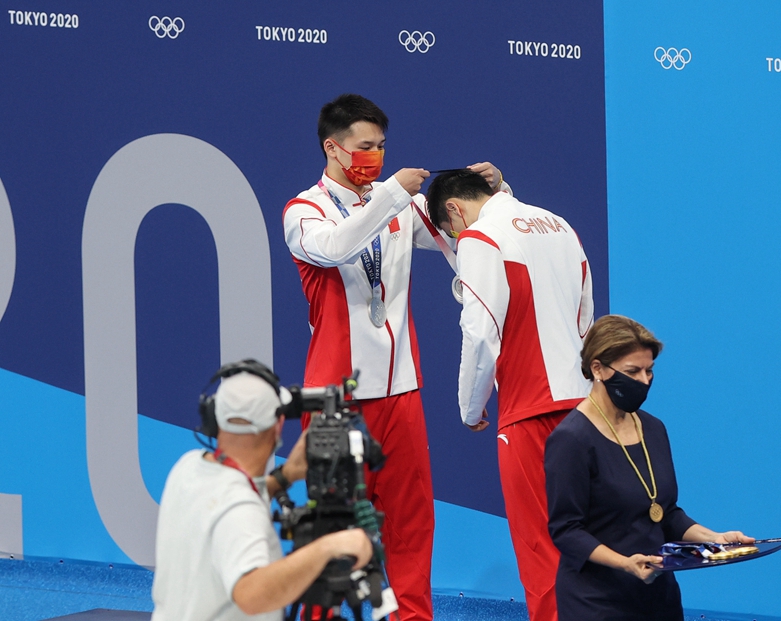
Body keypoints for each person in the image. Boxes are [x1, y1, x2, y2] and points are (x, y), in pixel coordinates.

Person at [282, 94, 504, 621]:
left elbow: (466, 239)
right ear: (332, 149)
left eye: (382, 145)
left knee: (410, 520)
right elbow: (335, 248)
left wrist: (493, 196)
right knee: (334, 527)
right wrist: (390, 196)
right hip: (337, 397)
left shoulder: (400, 206)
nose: (376, 155)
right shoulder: (303, 211)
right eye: (365, 146)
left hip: (401, 391)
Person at [425, 169, 594, 621]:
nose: (456, 241)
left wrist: (470, 406)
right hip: (587, 407)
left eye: (450, 233)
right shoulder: (560, 225)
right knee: (596, 543)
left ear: (454, 211)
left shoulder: (478, 238)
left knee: (543, 549)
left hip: (529, 412)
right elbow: (586, 318)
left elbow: (481, 332)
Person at [544, 315, 754, 620]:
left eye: (649, 370)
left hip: (658, 595)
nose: (644, 381)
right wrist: (625, 564)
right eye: (633, 371)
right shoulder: (570, 439)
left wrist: (715, 539)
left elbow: (665, 513)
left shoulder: (654, 429)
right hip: (596, 602)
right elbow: (566, 530)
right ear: (598, 368)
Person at [152, 365, 373, 621]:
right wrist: (330, 546)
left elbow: (221, 501)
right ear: (278, 426)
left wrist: (284, 477)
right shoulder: (241, 511)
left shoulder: (188, 467)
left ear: (215, 417)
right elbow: (251, 594)